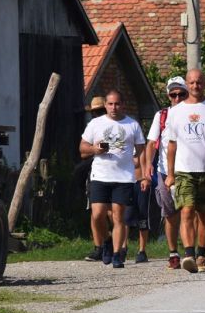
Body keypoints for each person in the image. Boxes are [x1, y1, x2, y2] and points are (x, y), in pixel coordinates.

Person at [164, 69, 205, 273]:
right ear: (186, 84)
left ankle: (201, 255)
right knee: (186, 211)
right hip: (184, 170)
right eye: (191, 82)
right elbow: (171, 145)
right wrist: (170, 174)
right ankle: (188, 254)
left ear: (204, 83)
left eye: (199, 82)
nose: (195, 86)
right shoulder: (175, 111)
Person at [79, 90, 146, 268]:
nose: (114, 107)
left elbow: (142, 151)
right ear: (106, 105)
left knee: (118, 217)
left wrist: (144, 172)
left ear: (123, 104)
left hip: (123, 177)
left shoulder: (132, 125)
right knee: (98, 214)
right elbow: (82, 149)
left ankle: (117, 254)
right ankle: (106, 241)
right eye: (110, 104)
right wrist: (95, 150)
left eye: (117, 104)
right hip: (100, 175)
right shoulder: (95, 124)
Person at [145, 77, 186, 269]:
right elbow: (152, 143)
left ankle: (190, 251)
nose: (177, 98)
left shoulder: (192, 113)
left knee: (187, 211)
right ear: (169, 96)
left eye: (181, 94)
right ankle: (173, 252)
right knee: (170, 213)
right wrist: (147, 166)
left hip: (187, 169)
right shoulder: (161, 115)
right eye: (173, 95)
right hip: (164, 171)